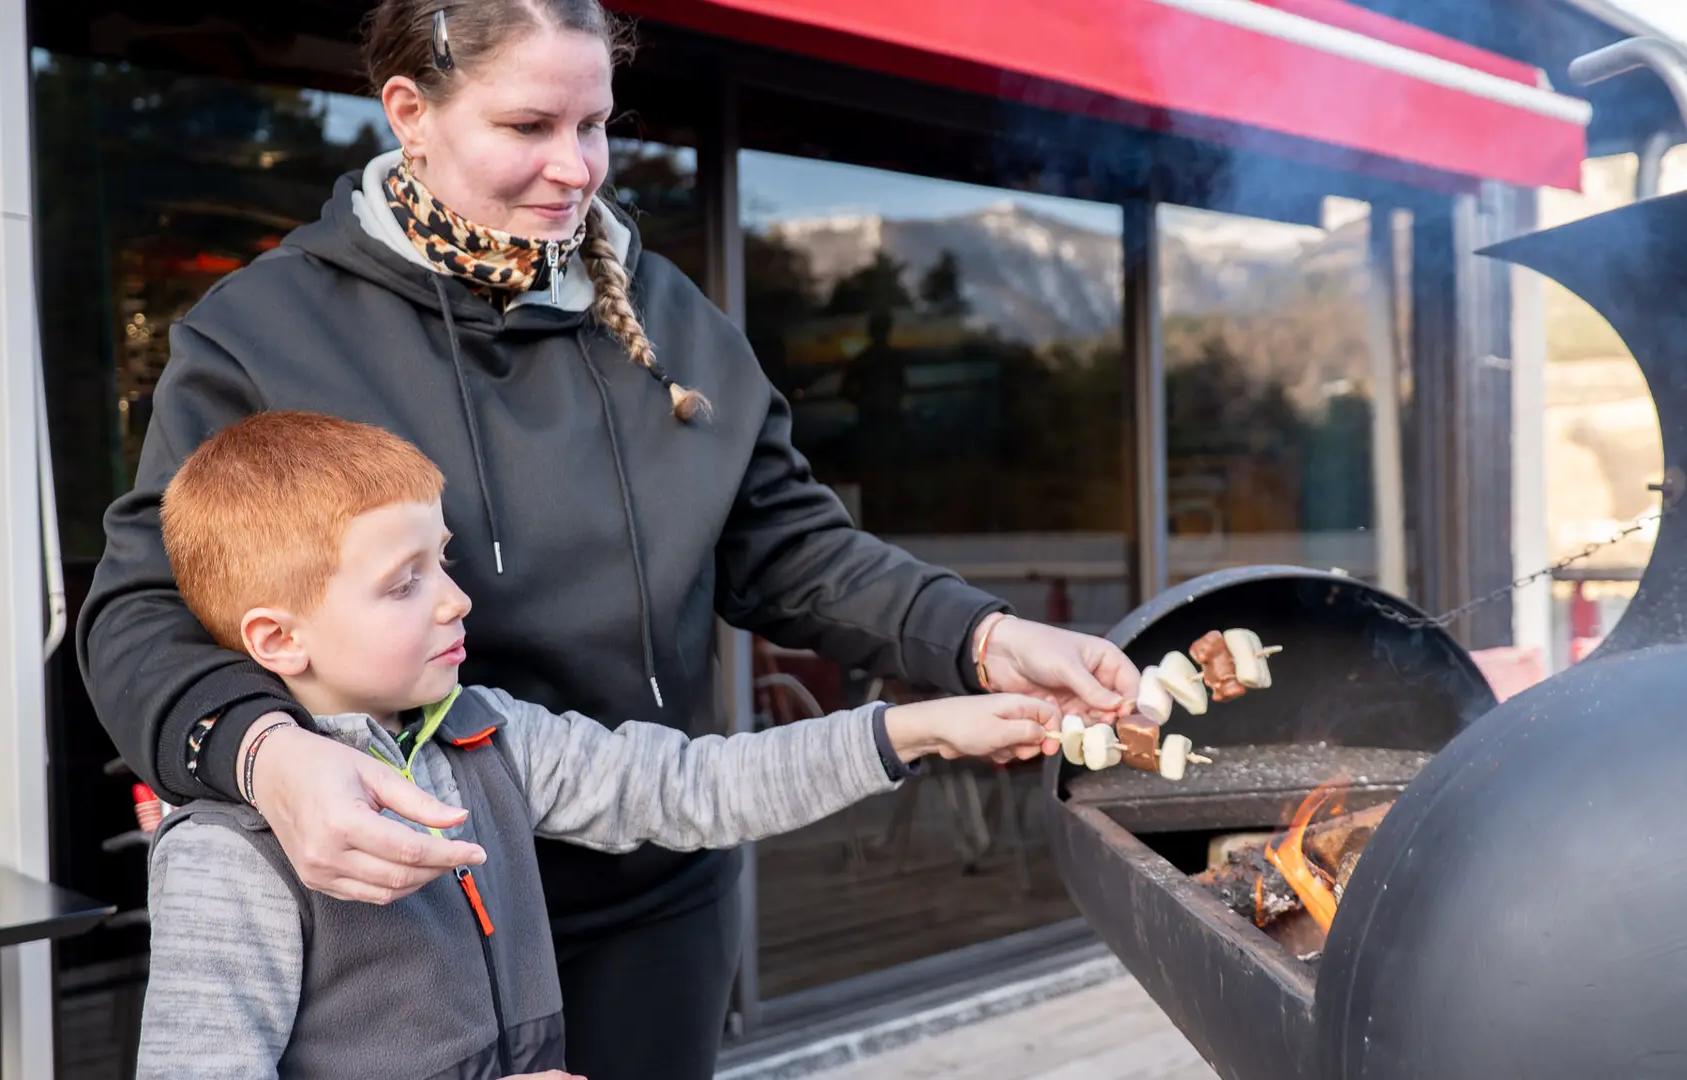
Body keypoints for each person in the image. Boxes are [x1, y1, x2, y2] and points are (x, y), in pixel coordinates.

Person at [75, 0, 1142, 1074]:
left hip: (651, 889)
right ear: (411, 111)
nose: (578, 168)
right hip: (390, 915)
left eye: (596, 127)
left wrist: (987, 638)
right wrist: (270, 761)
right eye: (530, 127)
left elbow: (789, 547)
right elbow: (142, 613)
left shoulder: (667, 320)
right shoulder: (263, 334)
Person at [136, 410, 1064, 1079]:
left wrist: (924, 726)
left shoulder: (488, 732)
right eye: (403, 583)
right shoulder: (226, 856)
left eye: (445, 560)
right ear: (277, 640)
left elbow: (692, 787)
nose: (457, 600)